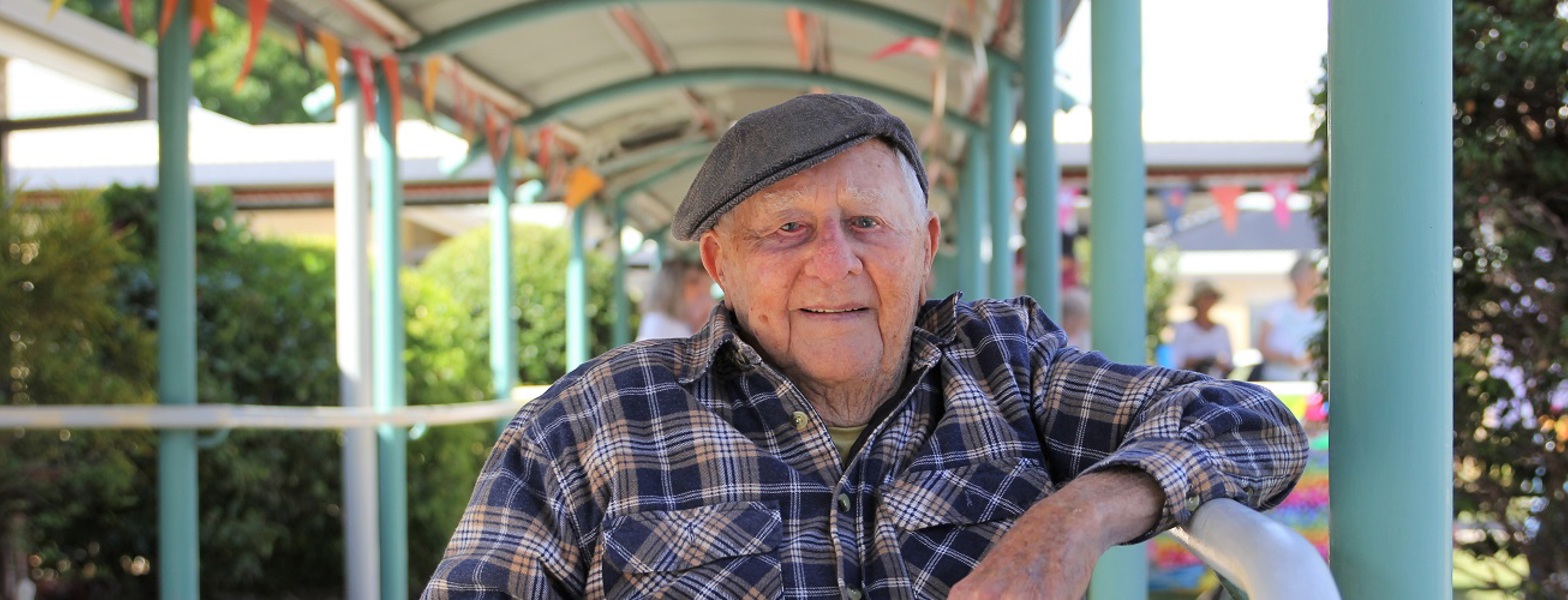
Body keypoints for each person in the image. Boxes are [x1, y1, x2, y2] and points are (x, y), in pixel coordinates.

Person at [424, 94, 1307, 599]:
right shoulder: (591, 423)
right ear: (719, 265)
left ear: (924, 250)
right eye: (788, 230)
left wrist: (1076, 516)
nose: (833, 263)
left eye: (867, 223)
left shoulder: (1008, 368)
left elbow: (1253, 425)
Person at [1256, 256, 1324, 381]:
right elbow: (1262, 347)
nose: (1314, 286)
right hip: (1278, 380)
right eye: (1310, 281)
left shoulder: (1322, 313)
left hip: (1311, 381)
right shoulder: (1276, 309)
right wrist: (1287, 359)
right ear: (1296, 281)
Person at [636, 256, 715, 340]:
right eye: (693, 282)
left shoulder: (666, 320)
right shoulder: (660, 322)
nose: (701, 288)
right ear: (674, 286)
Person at [1171, 281, 1234, 378]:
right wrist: (1204, 361)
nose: (1209, 301)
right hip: (1191, 381)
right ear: (1197, 301)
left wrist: (1218, 363)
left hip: (1218, 381)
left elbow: (1228, 363)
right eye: (1206, 297)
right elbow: (1180, 361)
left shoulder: (1221, 330)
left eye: (1212, 297)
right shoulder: (1183, 328)